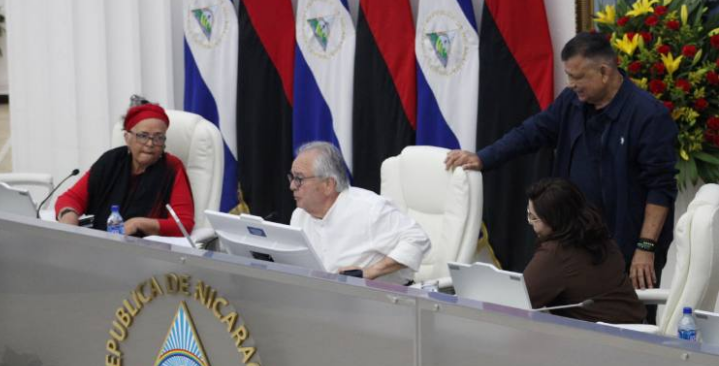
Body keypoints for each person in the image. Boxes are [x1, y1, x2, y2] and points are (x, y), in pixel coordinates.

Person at [445, 32, 678, 292]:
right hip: (573, 239)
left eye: (577, 77)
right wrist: (483, 157)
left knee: (626, 319)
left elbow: (661, 189)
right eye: (568, 75)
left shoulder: (649, 115)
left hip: (626, 245)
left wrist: (645, 248)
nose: (571, 84)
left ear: (604, 71)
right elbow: (530, 132)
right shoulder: (571, 102)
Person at [290, 141, 431, 285]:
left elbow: (417, 239)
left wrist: (370, 272)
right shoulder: (299, 215)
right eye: (292, 178)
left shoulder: (370, 209)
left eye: (299, 179)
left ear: (328, 184)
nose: (292, 186)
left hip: (378, 300)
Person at [55, 102, 195, 236]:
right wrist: (68, 217)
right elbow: (71, 199)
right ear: (127, 137)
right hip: (100, 242)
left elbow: (183, 225)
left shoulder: (172, 167)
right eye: (143, 136)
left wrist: (138, 223)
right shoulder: (111, 160)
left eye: (159, 138)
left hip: (146, 251)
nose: (150, 143)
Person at [524, 178, 646, 324]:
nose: (531, 224)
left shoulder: (556, 253)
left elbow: (516, 302)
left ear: (554, 219)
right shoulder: (601, 238)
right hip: (639, 330)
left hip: (604, 339)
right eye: (528, 215)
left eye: (534, 218)